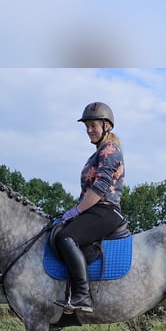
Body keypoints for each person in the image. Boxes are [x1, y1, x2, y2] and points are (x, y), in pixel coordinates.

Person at [53, 101, 126, 313]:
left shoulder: (110, 150)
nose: (89, 130)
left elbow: (100, 187)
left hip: (105, 210)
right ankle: (89, 257)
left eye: (93, 125)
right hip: (94, 209)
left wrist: (75, 212)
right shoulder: (97, 153)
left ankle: (83, 296)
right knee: (59, 231)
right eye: (87, 126)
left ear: (107, 126)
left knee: (65, 237)